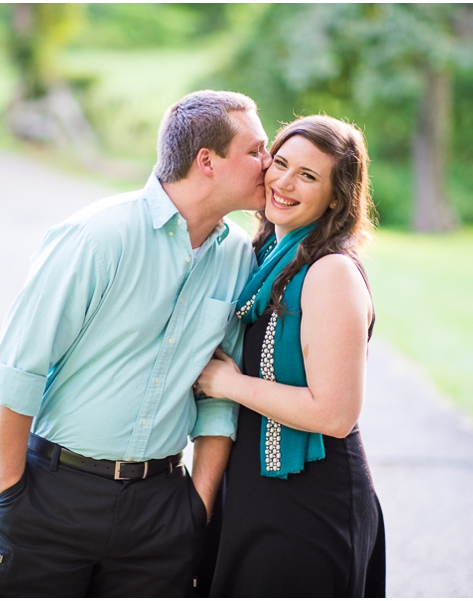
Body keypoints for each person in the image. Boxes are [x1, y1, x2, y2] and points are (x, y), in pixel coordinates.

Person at [0, 90, 273, 597]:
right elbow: (17, 370)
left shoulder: (241, 257)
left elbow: (220, 399)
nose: (270, 164)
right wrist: (10, 497)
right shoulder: (98, 236)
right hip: (52, 498)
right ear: (207, 162)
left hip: (161, 515)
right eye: (256, 151)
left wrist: (196, 505)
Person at [194, 114, 386, 597]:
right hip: (252, 490)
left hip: (310, 500)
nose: (283, 181)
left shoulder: (331, 272)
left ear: (337, 197)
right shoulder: (264, 256)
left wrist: (224, 383)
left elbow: (336, 413)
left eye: (308, 176)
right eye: (280, 163)